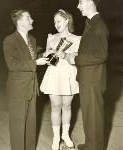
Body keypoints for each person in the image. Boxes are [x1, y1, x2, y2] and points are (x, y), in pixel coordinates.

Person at [3, 9, 49, 150]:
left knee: (31, 126)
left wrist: (46, 53)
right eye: (29, 18)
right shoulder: (9, 40)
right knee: (17, 128)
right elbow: (13, 65)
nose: (32, 20)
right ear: (20, 21)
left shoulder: (32, 40)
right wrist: (36, 62)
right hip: (17, 89)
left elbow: (35, 54)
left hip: (31, 88)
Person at [40, 9, 81, 150]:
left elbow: (78, 60)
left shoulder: (77, 39)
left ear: (67, 20)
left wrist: (67, 56)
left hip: (69, 74)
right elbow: (46, 57)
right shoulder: (51, 37)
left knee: (67, 106)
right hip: (54, 74)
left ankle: (65, 135)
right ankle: (56, 137)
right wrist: (48, 53)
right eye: (54, 21)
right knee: (56, 106)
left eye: (58, 21)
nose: (56, 24)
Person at [75, 0, 109, 150]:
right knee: (89, 114)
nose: (78, 6)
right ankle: (91, 145)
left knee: (94, 116)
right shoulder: (91, 24)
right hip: (87, 78)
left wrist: (75, 58)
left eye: (80, 2)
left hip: (93, 80)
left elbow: (101, 55)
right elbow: (91, 52)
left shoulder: (99, 26)